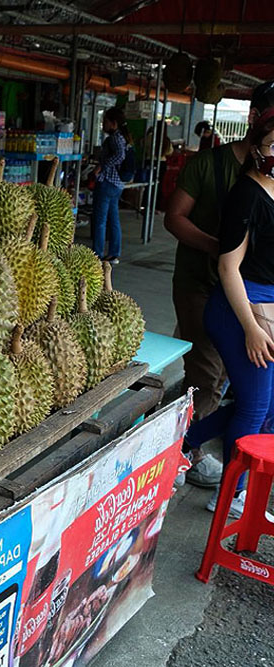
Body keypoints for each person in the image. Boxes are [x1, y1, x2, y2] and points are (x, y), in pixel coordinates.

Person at [165, 81, 274, 488]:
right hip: (203, 284)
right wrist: (222, 249)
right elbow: (173, 218)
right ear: (255, 120)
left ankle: (186, 446)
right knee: (206, 377)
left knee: (246, 393)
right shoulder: (209, 165)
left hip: (249, 295)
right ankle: (184, 457)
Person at [203, 108, 274, 518]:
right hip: (240, 309)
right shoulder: (246, 194)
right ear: (257, 147)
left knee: (266, 404)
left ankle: (185, 443)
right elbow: (228, 267)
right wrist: (250, 327)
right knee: (254, 406)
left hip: (266, 307)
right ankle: (232, 494)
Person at [91, 107, 131, 263]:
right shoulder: (123, 137)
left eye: (105, 121)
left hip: (107, 183)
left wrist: (101, 167)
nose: (103, 124)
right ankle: (114, 253)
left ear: (113, 123)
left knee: (100, 220)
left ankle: (97, 254)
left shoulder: (115, 138)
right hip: (117, 185)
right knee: (113, 219)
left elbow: (119, 156)